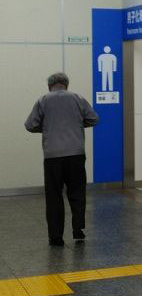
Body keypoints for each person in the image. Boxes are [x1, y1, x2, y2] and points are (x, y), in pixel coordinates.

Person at [25, 72, 99, 246]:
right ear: (66, 84)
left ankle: (56, 236)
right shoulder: (78, 98)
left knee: (54, 196)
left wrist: (46, 128)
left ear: (49, 86)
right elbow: (94, 119)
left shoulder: (43, 100)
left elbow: (30, 125)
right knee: (77, 192)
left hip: (53, 156)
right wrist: (79, 124)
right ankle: (78, 230)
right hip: (76, 154)